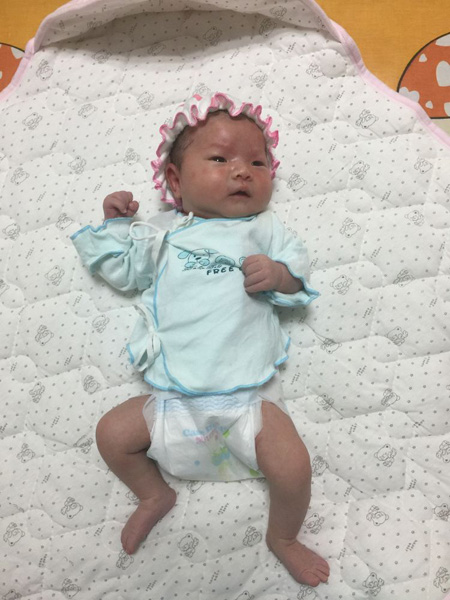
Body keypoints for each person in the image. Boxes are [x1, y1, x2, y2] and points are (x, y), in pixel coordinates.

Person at [71, 92, 330, 587]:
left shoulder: (264, 229)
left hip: (248, 401)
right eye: (219, 159)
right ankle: (154, 494)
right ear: (175, 181)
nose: (242, 171)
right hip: (172, 399)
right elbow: (123, 273)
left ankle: (283, 537)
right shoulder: (162, 233)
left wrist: (278, 276)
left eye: (258, 163)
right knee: (111, 435)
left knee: (294, 467)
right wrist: (118, 225)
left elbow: (299, 280)